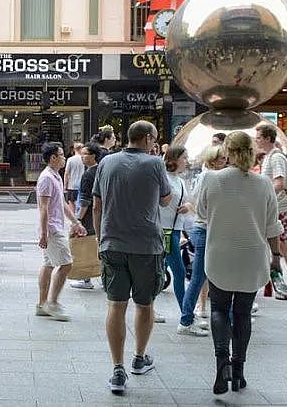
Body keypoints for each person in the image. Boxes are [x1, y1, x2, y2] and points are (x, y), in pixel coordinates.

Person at [195, 131, 284, 395]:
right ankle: (239, 370)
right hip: (252, 256)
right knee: (243, 313)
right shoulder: (264, 184)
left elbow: (201, 213)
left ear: (226, 151)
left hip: (220, 254)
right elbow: (272, 226)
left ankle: (222, 362)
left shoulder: (211, 179)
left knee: (219, 309)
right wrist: (276, 257)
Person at [92, 121, 172, 395]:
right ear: (148, 139)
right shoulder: (155, 164)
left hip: (112, 242)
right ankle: (139, 357)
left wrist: (100, 238)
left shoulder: (106, 162)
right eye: (155, 139)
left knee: (116, 305)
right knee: (145, 304)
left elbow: (97, 204)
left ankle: (117, 368)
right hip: (147, 246)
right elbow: (165, 199)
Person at [177, 144, 226, 336]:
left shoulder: (206, 176)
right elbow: (202, 202)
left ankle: (189, 318)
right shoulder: (210, 176)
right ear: (213, 160)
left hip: (203, 228)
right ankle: (187, 319)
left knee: (201, 277)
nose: (225, 161)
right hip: (205, 229)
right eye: (222, 158)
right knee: (201, 277)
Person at [35, 142, 87, 321]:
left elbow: (62, 204)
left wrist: (75, 222)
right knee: (66, 264)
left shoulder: (55, 176)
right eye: (62, 155)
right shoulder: (46, 178)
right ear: (53, 158)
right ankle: (53, 303)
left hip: (55, 227)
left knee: (49, 264)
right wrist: (44, 233)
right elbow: (44, 207)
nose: (65, 158)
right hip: (52, 229)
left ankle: (42, 304)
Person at [254, 125, 287, 301]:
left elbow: (279, 183)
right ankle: (275, 285)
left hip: (280, 207)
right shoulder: (269, 157)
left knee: (284, 246)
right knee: (280, 246)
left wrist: (262, 196)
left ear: (268, 138)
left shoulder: (276, 158)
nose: (256, 140)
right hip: (275, 207)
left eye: (259, 137)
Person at [159, 146, 193, 322]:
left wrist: (187, 206)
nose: (187, 161)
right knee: (178, 272)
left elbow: (187, 201)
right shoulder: (164, 177)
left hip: (174, 229)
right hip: (165, 230)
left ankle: (186, 314)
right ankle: (186, 316)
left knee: (161, 269)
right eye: (184, 157)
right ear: (175, 159)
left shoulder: (178, 179)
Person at [70, 142, 103, 290]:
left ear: (93, 156)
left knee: (86, 245)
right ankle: (104, 277)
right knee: (99, 246)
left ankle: (85, 278)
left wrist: (78, 219)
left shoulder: (89, 174)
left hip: (89, 216)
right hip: (103, 215)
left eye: (85, 154)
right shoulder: (102, 170)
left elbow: (84, 200)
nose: (82, 157)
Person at [64, 142, 85, 206]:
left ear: (74, 149)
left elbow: (66, 173)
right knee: (81, 202)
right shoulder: (84, 159)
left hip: (72, 185)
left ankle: (73, 215)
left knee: (71, 202)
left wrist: (65, 185)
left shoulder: (70, 159)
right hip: (82, 184)